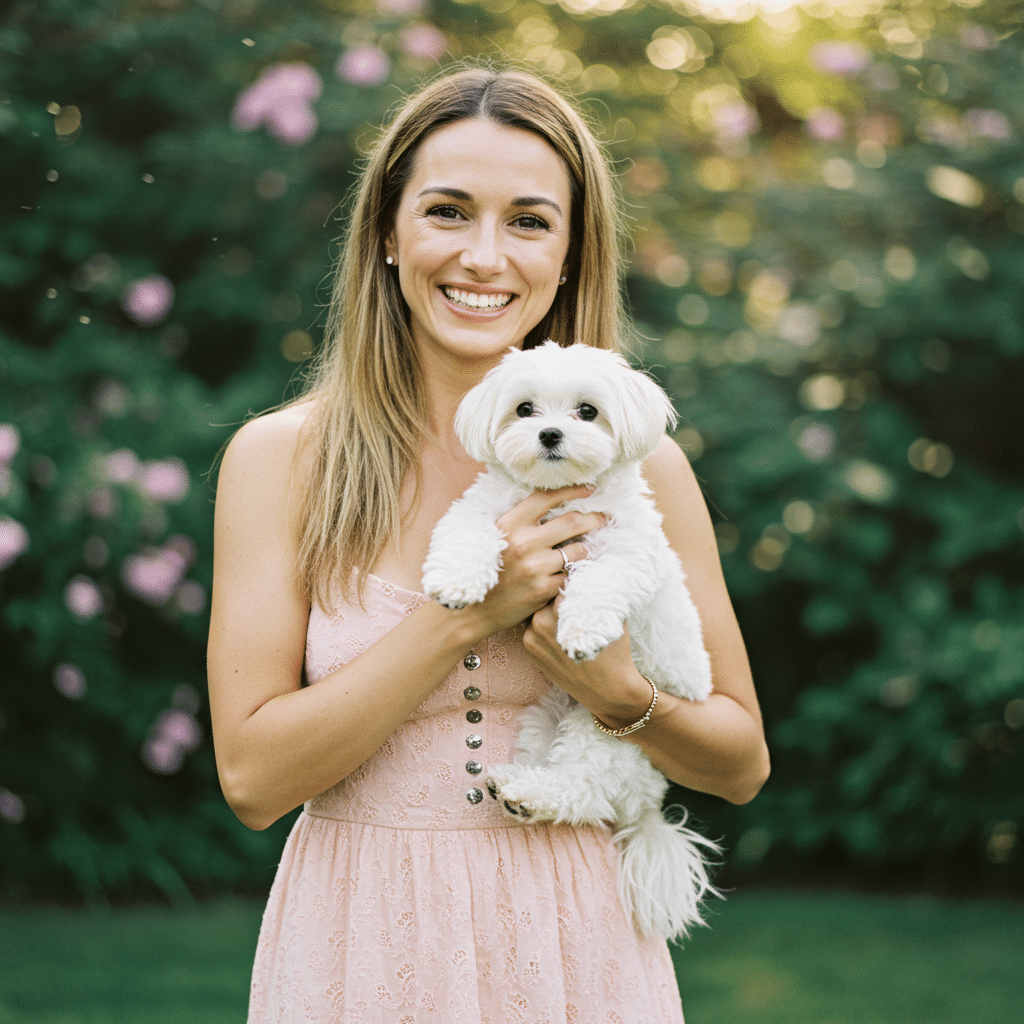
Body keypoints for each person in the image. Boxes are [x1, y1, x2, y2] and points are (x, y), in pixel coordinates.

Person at [208, 65, 770, 1023]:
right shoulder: (282, 460)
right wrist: (465, 615)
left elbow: (740, 762)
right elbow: (254, 779)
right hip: (358, 937)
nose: (483, 256)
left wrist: (620, 695)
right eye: (448, 211)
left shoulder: (642, 471)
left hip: (578, 942)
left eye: (528, 220)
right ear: (388, 233)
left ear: (570, 252)